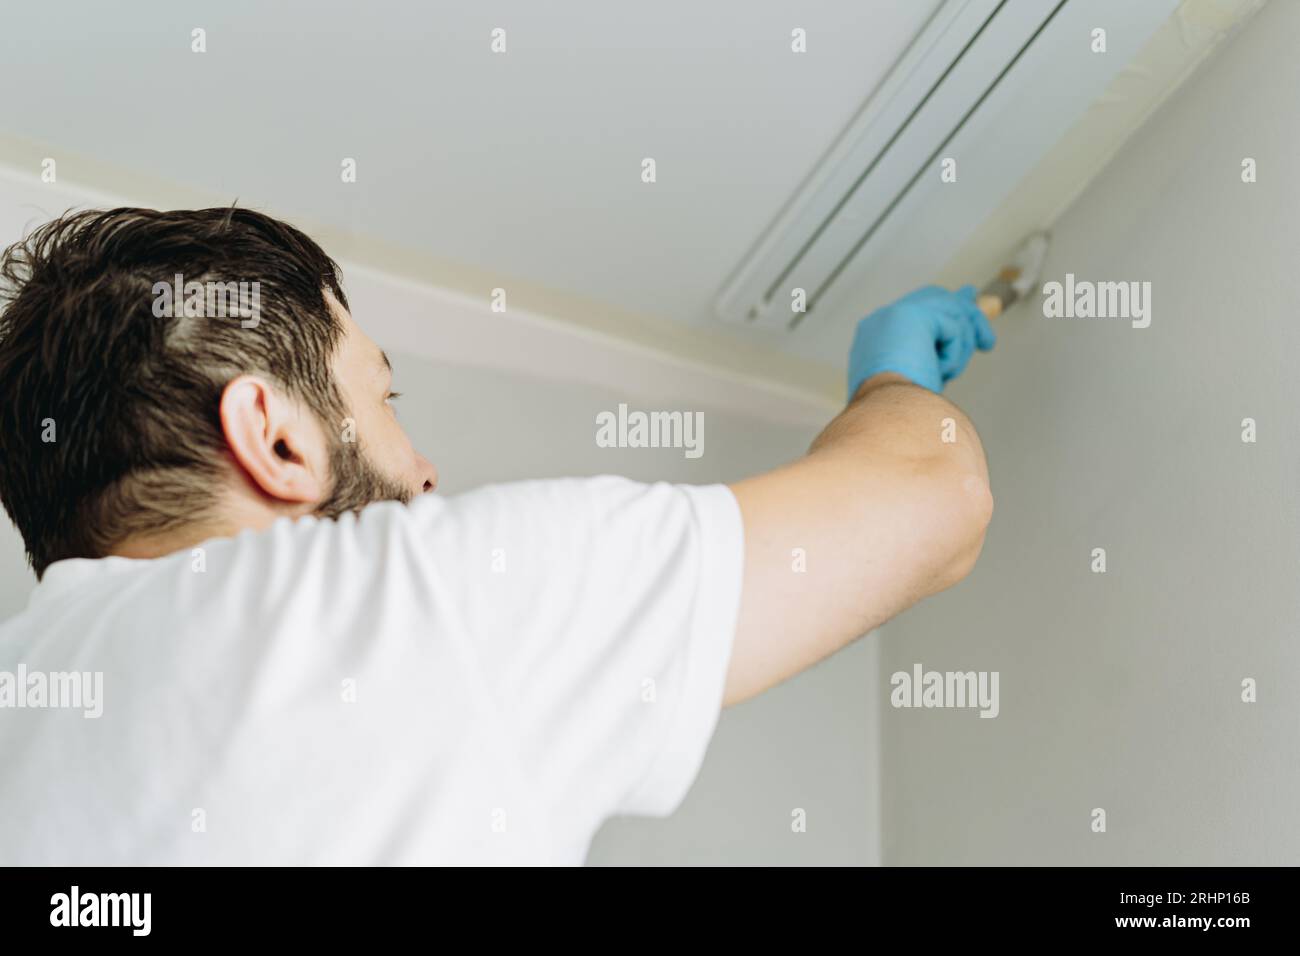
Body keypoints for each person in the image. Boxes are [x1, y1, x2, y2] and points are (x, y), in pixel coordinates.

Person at [0, 207, 994, 864]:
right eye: (382, 396)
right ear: (274, 438)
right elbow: (932, 493)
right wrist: (892, 376)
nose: (427, 473)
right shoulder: (409, 603)